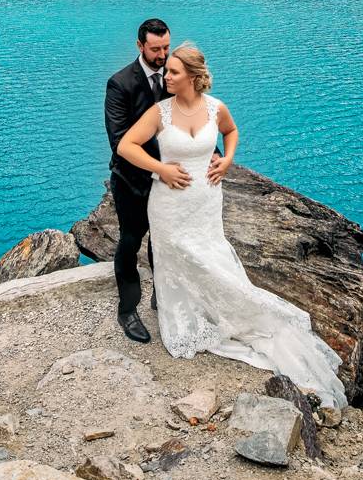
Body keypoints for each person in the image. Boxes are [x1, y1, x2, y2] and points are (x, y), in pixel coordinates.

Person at [116, 43, 347, 409]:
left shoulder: (215, 108)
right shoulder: (159, 112)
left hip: (206, 201)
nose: (167, 76)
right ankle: (183, 317)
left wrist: (227, 162)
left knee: (211, 256)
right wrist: (160, 168)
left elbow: (232, 131)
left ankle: (224, 310)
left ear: (192, 77)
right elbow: (127, 146)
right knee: (177, 259)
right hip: (169, 203)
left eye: (174, 72)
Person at [103, 18, 173, 343]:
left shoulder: (176, 75)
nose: (162, 55)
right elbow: (119, 141)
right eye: (156, 49)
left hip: (168, 182)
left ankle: (163, 297)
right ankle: (128, 310)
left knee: (163, 242)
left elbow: (193, 116)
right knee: (131, 242)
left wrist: (209, 154)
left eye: (166, 47)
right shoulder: (120, 84)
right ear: (140, 46)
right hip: (131, 182)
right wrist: (158, 169)